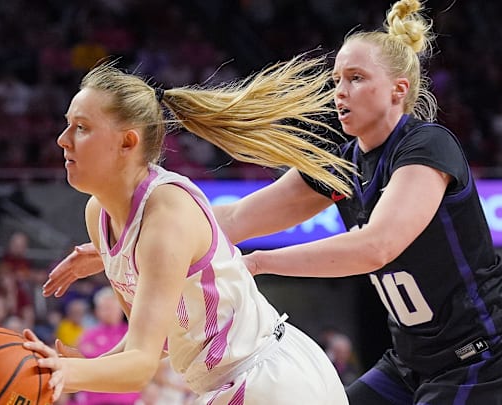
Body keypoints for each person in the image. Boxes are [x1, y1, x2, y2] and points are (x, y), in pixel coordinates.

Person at [210, 1, 502, 403]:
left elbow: (376, 246)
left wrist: (260, 262)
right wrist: (144, 222)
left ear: (398, 89)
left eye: (356, 78)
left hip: (484, 361)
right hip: (410, 364)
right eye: (336, 81)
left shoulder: (427, 144)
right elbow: (237, 216)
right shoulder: (340, 165)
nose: (340, 92)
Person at [23, 54, 353, 404]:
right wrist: (82, 371)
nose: (62, 139)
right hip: (235, 383)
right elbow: (157, 340)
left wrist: (68, 372)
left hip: (267, 381)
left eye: (82, 127)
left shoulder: (166, 216)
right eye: (68, 125)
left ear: (127, 143)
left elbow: (140, 366)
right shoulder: (98, 214)